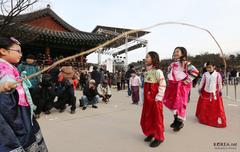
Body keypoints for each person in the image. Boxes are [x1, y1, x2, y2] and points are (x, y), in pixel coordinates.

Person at [0, 37, 48, 151]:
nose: (21, 54)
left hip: (23, 96)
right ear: (3, 51)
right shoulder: (3, 67)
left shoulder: (13, 66)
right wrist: (4, 85)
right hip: (11, 108)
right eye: (18, 51)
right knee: (22, 136)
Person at [163, 47, 199, 132]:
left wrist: (186, 81)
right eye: (174, 51)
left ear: (182, 53)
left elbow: (195, 72)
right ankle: (176, 119)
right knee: (171, 102)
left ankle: (179, 122)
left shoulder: (186, 63)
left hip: (181, 86)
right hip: (172, 86)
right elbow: (168, 74)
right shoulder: (171, 64)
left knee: (180, 103)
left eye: (177, 51)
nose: (175, 53)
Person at [140, 51, 166, 148]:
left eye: (148, 57)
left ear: (153, 59)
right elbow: (145, 87)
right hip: (147, 99)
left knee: (157, 118)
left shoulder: (158, 71)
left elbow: (163, 85)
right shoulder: (146, 71)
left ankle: (159, 137)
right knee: (147, 117)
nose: (145, 58)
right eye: (146, 57)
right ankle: (150, 133)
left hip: (155, 99)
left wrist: (158, 97)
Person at [196, 61, 227, 128]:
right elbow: (202, 82)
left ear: (214, 67)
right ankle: (204, 118)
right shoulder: (205, 74)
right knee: (205, 106)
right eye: (207, 68)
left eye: (210, 67)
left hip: (214, 92)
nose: (208, 69)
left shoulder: (217, 74)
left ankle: (212, 117)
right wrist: (200, 88)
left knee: (214, 106)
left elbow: (219, 83)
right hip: (206, 91)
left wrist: (220, 90)